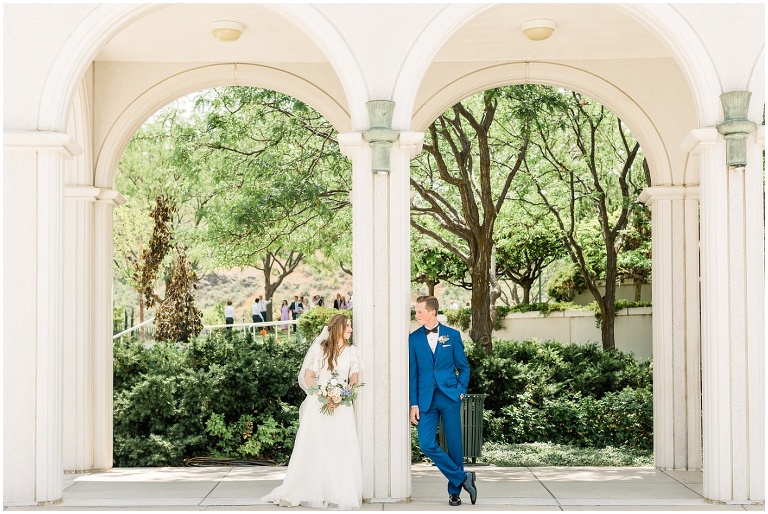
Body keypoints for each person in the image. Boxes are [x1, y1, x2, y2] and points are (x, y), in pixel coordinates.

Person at [261, 314, 364, 509]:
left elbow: (354, 380)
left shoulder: (353, 352)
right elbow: (308, 377)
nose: (351, 329)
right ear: (337, 328)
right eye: (348, 326)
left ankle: (337, 491)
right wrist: (322, 395)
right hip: (319, 405)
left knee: (339, 448)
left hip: (342, 409)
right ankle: (307, 490)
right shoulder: (320, 349)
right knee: (315, 446)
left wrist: (341, 397)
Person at [409, 295, 477, 507]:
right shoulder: (413, 338)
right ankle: (463, 477)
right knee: (426, 443)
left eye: (420, 311)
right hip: (425, 400)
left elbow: (463, 367)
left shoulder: (452, 335)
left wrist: (460, 391)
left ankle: (454, 492)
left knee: (455, 445)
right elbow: (412, 373)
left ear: (432, 312)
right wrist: (413, 403)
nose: (416, 314)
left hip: (449, 397)